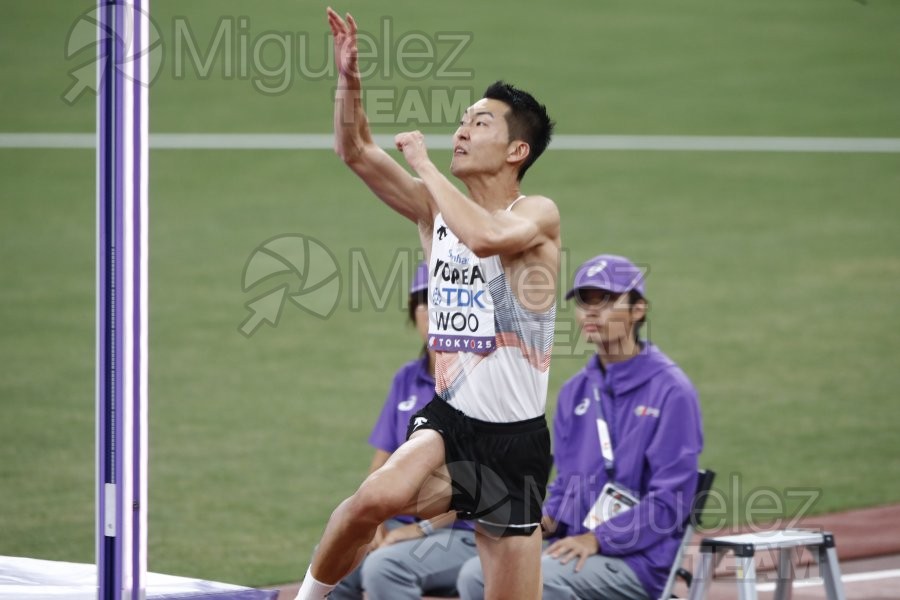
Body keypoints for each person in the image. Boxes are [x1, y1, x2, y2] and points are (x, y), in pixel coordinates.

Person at [296, 8, 559, 600]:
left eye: (480, 123)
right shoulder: (435, 209)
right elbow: (356, 151)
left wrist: (423, 164)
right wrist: (350, 78)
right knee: (374, 499)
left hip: (515, 442)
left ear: (517, 150)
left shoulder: (537, 215)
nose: (461, 131)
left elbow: (486, 238)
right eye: (462, 120)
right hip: (452, 419)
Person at [456, 254, 704, 600]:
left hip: (638, 560)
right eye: (584, 300)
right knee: (475, 573)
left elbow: (670, 501)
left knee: (546, 582)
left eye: (605, 300)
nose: (590, 311)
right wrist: (544, 520)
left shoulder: (672, 391)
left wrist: (599, 539)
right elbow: (567, 484)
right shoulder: (576, 390)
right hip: (573, 544)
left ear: (638, 310)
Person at [330, 262, 477, 600]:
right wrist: (372, 520)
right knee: (334, 558)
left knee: (384, 568)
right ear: (414, 313)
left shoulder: (479, 384)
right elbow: (381, 462)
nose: (433, 310)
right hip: (403, 524)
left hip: (466, 532)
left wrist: (418, 528)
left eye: (442, 300)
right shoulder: (406, 378)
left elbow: (475, 490)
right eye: (424, 301)